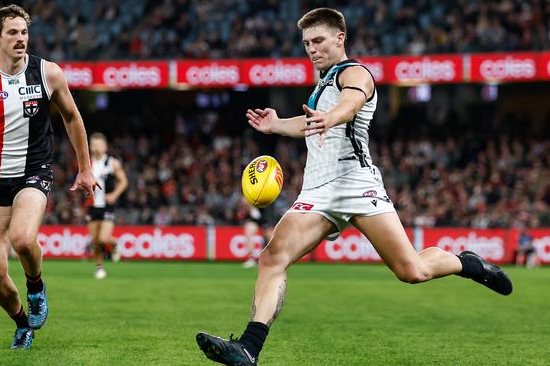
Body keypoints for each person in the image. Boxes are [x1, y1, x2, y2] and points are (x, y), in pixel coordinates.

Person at [196, 8, 513, 365]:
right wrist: (277, 125)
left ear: (339, 38)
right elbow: (311, 123)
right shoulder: (323, 83)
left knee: (412, 271)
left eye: (318, 41)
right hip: (317, 191)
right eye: (306, 43)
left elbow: (352, 101)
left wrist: (331, 117)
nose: (312, 49)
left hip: (356, 183)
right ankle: (248, 349)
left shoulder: (355, 72)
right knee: (272, 257)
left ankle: (465, 263)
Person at [0, 5, 98, 350]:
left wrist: (85, 168)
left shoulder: (48, 73)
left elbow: (72, 117)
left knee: (23, 239)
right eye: (12, 32)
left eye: (24, 32)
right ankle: (22, 323)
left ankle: (36, 286)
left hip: (33, 173)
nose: (20, 38)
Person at [86, 132, 128, 279]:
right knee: (95, 241)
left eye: (99, 145)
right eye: (93, 145)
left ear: (105, 147)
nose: (96, 148)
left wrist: (115, 195)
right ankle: (99, 267)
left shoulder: (112, 162)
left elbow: (123, 181)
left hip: (107, 206)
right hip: (91, 205)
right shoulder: (86, 162)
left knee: (104, 238)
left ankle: (114, 243)